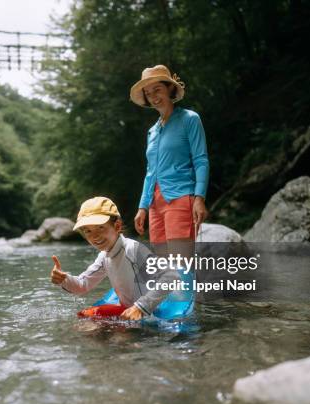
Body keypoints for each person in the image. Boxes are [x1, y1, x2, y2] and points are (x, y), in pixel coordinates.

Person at [50, 197, 178, 320]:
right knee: (84, 323)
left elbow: (172, 277)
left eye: (100, 227)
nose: (94, 236)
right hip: (128, 310)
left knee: (116, 338)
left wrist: (140, 307)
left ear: (117, 226)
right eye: (88, 231)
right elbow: (83, 285)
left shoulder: (133, 249)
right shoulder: (104, 256)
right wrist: (64, 279)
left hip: (150, 311)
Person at [130, 65, 209, 259]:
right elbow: (150, 172)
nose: (154, 97)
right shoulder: (152, 131)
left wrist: (199, 198)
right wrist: (143, 207)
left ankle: (188, 290)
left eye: (157, 89)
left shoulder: (189, 119)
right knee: (164, 267)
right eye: (148, 93)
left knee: (181, 265)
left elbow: (201, 160)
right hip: (156, 205)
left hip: (181, 197)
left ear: (170, 89)